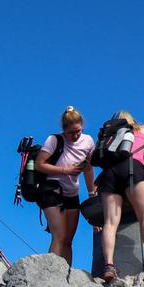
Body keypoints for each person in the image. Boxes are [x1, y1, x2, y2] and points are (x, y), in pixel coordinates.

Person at [96, 111, 144, 282]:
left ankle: (109, 266)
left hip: (108, 174)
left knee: (109, 222)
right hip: (133, 169)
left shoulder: (110, 135)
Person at [34, 107, 96, 264]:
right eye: (71, 133)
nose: (75, 136)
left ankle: (66, 276)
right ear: (64, 130)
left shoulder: (88, 141)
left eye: (78, 131)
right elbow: (39, 164)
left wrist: (91, 192)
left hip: (72, 194)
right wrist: (65, 170)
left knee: (68, 240)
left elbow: (88, 168)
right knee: (59, 236)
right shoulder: (54, 140)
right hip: (51, 190)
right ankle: (50, 273)